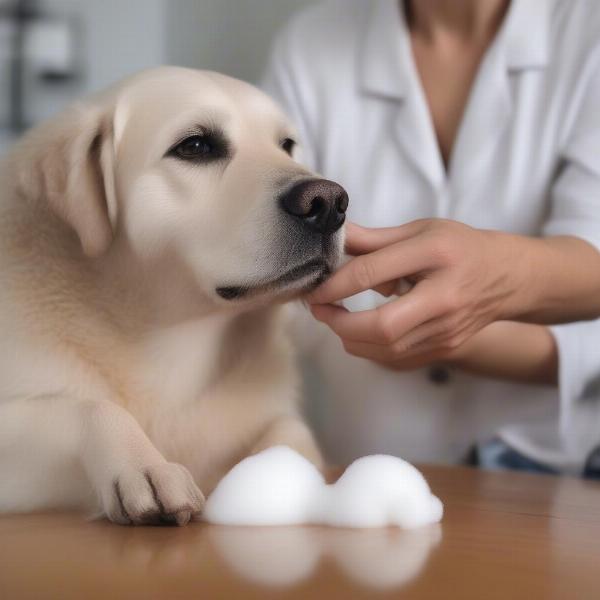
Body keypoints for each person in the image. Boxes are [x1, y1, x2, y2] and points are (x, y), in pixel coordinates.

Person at [262, 0, 600, 476]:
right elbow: (267, 250)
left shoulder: (589, 35)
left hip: (558, 476)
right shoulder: (309, 46)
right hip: (366, 472)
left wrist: (471, 312)